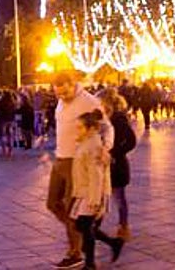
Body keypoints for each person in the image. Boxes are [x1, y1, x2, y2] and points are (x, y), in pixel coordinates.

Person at [47, 71, 107, 269]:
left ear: (73, 84)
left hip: (77, 160)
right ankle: (82, 229)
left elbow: (107, 126)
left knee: (72, 208)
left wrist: (106, 149)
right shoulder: (61, 102)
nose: (62, 97)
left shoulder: (89, 101)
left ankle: (75, 251)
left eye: (65, 92)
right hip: (60, 157)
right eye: (58, 94)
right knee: (52, 203)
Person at [70, 110, 125, 269]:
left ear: (91, 129)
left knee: (85, 227)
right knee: (82, 226)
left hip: (92, 193)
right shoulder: (86, 143)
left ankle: (90, 264)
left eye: (80, 128)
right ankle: (114, 243)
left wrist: (95, 200)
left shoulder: (93, 147)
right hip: (85, 192)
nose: (77, 131)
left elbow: (96, 176)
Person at [99, 87, 136, 243]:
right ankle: (93, 228)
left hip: (116, 166)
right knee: (101, 198)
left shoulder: (118, 119)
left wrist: (114, 153)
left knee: (119, 198)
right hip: (104, 165)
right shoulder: (102, 119)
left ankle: (124, 226)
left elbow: (131, 142)